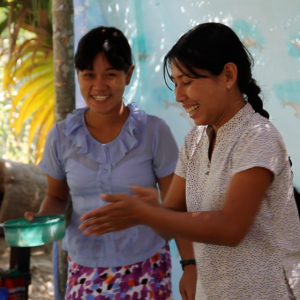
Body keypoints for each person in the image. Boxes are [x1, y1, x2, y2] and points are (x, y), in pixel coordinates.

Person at [79, 22, 300, 300]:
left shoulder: (258, 137)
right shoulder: (194, 141)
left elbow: (230, 228)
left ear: (228, 74)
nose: (179, 96)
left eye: (188, 81)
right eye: (176, 83)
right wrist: (140, 211)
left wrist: (147, 213)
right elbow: (171, 218)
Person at [25, 26, 180, 300]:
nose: (99, 85)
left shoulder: (155, 132)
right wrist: (43, 221)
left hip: (147, 265)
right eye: (89, 75)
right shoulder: (60, 137)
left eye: (110, 74)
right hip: (84, 266)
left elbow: (178, 210)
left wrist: (189, 266)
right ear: (78, 76)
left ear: (128, 74)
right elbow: (56, 197)